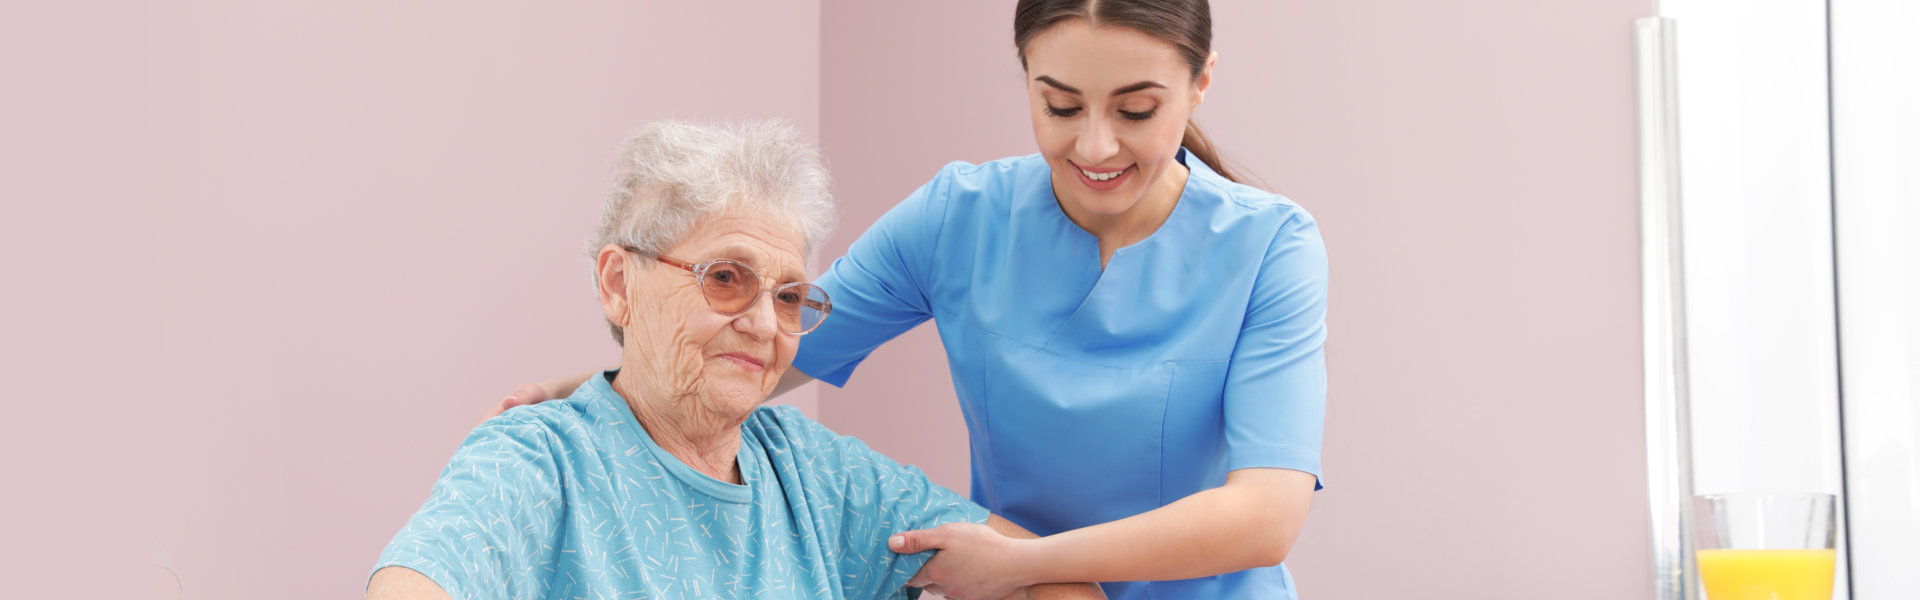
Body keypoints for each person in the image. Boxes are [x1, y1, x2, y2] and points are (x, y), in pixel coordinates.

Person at [492, 1, 1328, 598]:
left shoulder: (1271, 247)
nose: (1095, 144)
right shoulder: (959, 218)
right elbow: (773, 343)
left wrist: (1022, 565)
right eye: (1060, 105)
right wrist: (595, 390)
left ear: (1200, 83)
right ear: (1026, 79)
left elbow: (1265, 515)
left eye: (1137, 110)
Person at [370, 120, 1103, 600]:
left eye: (788, 297)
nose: (761, 324)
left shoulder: (818, 476)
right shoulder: (540, 458)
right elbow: (412, 583)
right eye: (725, 278)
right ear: (620, 285)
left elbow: (1054, 583)